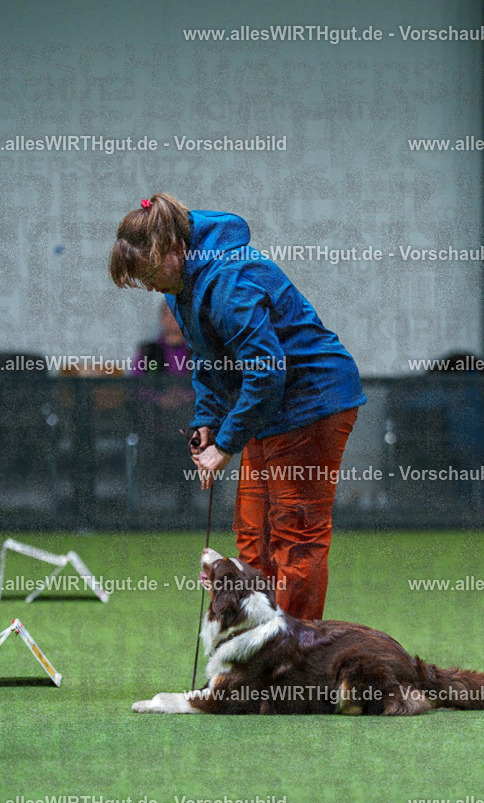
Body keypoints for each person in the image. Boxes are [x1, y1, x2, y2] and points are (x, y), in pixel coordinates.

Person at [110, 193, 366, 620]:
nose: (151, 286)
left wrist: (225, 444)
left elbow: (266, 372)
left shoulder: (231, 280)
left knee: (296, 537)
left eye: (150, 273)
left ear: (173, 248)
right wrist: (208, 420)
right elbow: (209, 363)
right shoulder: (181, 287)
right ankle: (257, 652)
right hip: (270, 407)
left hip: (313, 402)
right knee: (253, 537)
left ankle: (296, 661)